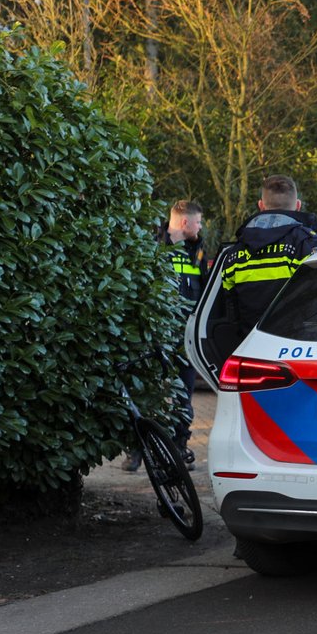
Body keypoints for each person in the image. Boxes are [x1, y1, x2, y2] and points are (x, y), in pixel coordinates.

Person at [124, 200, 207, 472]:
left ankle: (179, 447)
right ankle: (136, 452)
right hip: (155, 336)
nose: (201, 226)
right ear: (184, 223)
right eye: (198, 222)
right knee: (146, 394)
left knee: (184, 394)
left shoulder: (197, 250)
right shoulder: (153, 246)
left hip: (185, 338)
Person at [222, 175, 317, 340]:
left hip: (249, 345)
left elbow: (230, 308)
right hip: (294, 344)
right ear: (298, 205)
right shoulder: (304, 243)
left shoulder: (234, 253)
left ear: (261, 206)